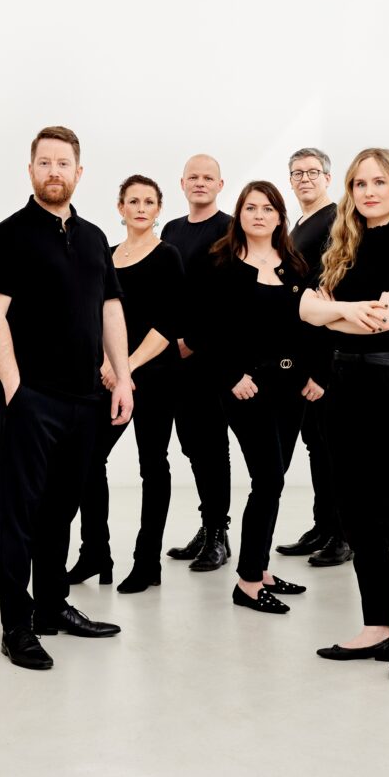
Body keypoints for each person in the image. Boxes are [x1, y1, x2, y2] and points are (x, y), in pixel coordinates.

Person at [0, 126, 133, 671]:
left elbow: (110, 309)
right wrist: (14, 389)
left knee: (62, 510)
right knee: (19, 513)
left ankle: (51, 605)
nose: (53, 171)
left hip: (85, 399)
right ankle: (15, 625)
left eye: (63, 163)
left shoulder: (94, 237)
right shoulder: (9, 235)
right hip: (32, 399)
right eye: (44, 162)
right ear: (30, 171)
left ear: (78, 172)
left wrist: (123, 377)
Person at [300, 147, 389, 681]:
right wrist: (339, 313)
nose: (369, 191)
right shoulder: (343, 245)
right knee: (356, 513)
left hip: (387, 385)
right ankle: (378, 627)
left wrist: (331, 312)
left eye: (379, 181)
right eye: (360, 183)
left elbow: (384, 321)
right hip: (341, 386)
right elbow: (305, 309)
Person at [190, 182, 324, 615]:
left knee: (274, 478)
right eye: (251, 208)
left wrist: (317, 373)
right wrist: (232, 375)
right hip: (246, 388)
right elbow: (203, 329)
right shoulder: (220, 263)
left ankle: (260, 569)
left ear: (280, 216)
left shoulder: (297, 265)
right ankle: (248, 583)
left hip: (292, 387)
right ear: (240, 214)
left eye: (268, 208)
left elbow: (315, 323)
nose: (259, 215)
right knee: (268, 480)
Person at [68, 175, 184, 594]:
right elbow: (96, 314)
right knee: (88, 459)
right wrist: (108, 363)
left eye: (148, 202)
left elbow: (168, 324)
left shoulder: (167, 255)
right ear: (120, 208)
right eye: (132, 201)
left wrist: (126, 367)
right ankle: (95, 553)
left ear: (158, 209)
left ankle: (147, 561)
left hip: (154, 373)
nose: (140, 208)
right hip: (108, 374)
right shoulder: (108, 255)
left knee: (152, 464)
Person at [276, 147, 352, 568]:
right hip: (302, 354)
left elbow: (332, 297)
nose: (304, 178)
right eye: (297, 173)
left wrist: (321, 370)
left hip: (327, 357)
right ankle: (324, 526)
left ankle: (344, 534)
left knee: (334, 447)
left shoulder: (336, 221)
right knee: (316, 446)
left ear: (328, 177)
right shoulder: (300, 225)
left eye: (312, 172)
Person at [161, 154, 233, 571]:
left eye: (208, 177)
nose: (200, 183)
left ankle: (219, 534)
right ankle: (208, 526)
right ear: (182, 183)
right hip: (174, 356)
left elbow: (230, 296)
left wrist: (194, 341)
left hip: (209, 356)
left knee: (210, 445)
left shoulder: (230, 228)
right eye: (194, 177)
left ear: (220, 185)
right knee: (191, 445)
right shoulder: (171, 229)